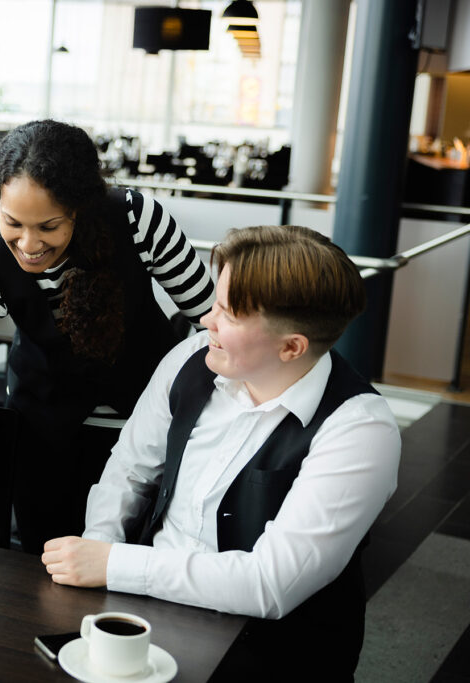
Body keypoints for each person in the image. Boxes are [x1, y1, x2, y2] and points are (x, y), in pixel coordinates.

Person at [40, 225, 401, 682]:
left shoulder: (360, 430)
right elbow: (128, 473)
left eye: (228, 314)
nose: (208, 321)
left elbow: (269, 584)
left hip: (273, 654)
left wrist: (114, 565)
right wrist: (99, 555)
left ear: (292, 347)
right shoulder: (194, 356)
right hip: (146, 612)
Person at [0, 119, 216, 555]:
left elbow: (214, 324)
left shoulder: (137, 220)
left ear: (79, 207)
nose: (28, 243)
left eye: (48, 226)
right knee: (47, 567)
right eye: (12, 222)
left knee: (142, 568)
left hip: (147, 434)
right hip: (46, 439)